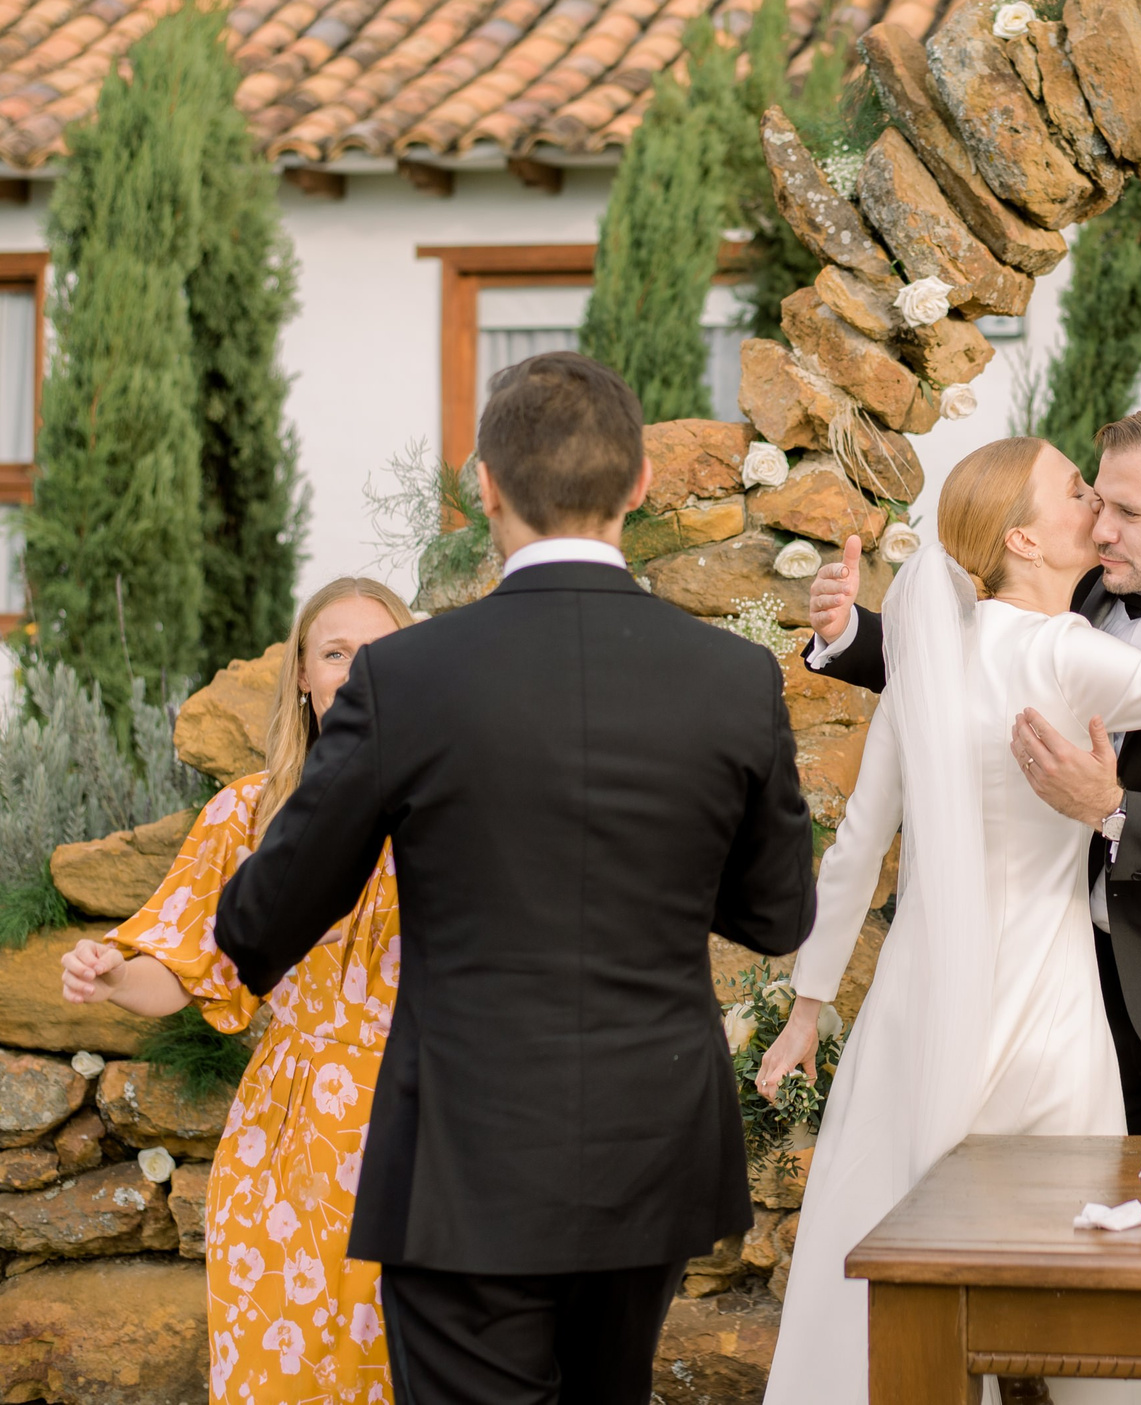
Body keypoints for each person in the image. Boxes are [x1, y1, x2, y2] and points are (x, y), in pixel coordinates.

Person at [209, 351, 816, 1405]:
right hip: (652, 1143)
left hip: (464, 1152)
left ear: (485, 485)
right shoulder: (734, 675)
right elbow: (775, 913)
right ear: (638, 486)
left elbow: (264, 920)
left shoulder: (406, 675)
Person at [755, 434, 1141, 1405]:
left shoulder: (931, 659)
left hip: (918, 1012)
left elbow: (853, 850)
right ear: (1023, 536)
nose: (1093, 503)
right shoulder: (1067, 651)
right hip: (1049, 1016)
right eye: (1073, 489)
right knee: (1081, 1289)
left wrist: (807, 1008)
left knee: (886, 1264)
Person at [61, 574, 417, 1405]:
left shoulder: (448, 809)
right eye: (336, 651)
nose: (358, 669)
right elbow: (177, 973)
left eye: (381, 650)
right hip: (287, 1141)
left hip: (421, 1126)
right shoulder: (248, 814)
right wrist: (115, 975)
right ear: (301, 672)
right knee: (280, 1374)